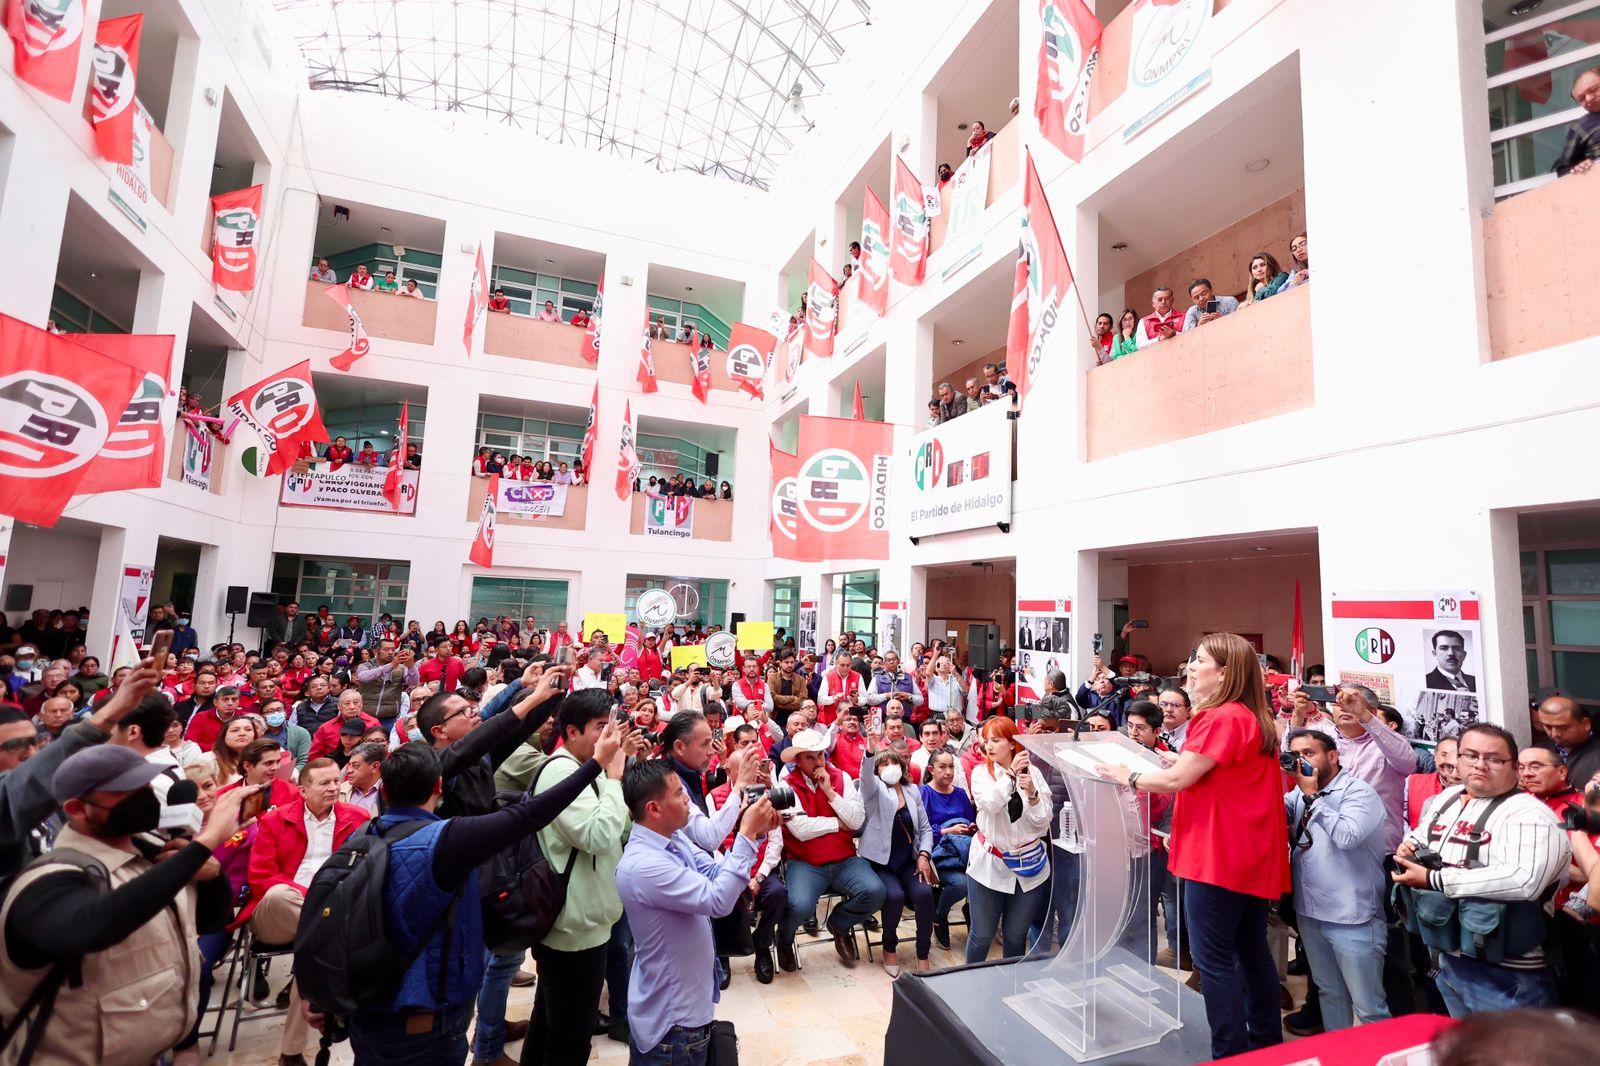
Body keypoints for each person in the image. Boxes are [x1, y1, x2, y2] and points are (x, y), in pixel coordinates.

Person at [327, 724, 621, 1063]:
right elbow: (531, 813)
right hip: (427, 1009)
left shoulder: (358, 838)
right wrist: (600, 766)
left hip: (368, 1007)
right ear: (439, 787)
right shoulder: (448, 841)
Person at [0, 744, 257, 1064]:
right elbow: (92, 927)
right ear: (78, 809)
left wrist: (212, 873)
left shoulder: (154, 851)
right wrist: (207, 843)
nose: (144, 797)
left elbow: (210, 920)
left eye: (145, 785)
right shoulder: (47, 879)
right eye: (124, 792)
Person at [1097, 633, 1290, 1059]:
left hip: (1217, 856)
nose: (1189, 665)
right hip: (1247, 855)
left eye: (1198, 659)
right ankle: (1264, 1046)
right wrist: (1172, 761)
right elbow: (1207, 772)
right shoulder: (1252, 717)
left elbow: (1176, 782)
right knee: (1251, 951)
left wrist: (1124, 775)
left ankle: (1229, 1052)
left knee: (1213, 961)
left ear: (1222, 672)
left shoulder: (1219, 717)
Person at [1391, 723, 1570, 1016]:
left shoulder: (1530, 815)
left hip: (1507, 972)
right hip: (1449, 956)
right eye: (1470, 755)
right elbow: (1420, 835)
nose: (1480, 765)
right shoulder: (1449, 798)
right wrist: (1408, 848)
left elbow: (1524, 881)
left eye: (1494, 759)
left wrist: (1434, 878)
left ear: (1514, 767)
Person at [616, 760, 779, 1065]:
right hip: (672, 1024)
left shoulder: (673, 838)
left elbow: (716, 872)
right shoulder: (644, 865)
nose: (688, 800)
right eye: (679, 794)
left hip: (686, 1006)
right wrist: (743, 836)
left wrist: (754, 836)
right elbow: (717, 900)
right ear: (654, 809)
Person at [522, 689, 640, 1065]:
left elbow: (619, 829)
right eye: (601, 728)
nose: (610, 738)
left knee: (549, 1024)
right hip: (573, 928)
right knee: (570, 1039)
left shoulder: (585, 769)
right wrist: (615, 775)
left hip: (584, 920)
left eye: (612, 728)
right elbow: (597, 836)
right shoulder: (561, 771)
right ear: (572, 731)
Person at [242, 758, 369, 1065]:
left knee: (313, 949)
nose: (334, 788)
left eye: (336, 782)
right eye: (324, 783)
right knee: (279, 893)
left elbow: (366, 869)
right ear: (302, 789)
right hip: (278, 912)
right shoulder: (274, 820)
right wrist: (312, 898)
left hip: (326, 915)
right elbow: (260, 876)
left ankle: (290, 1051)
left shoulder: (358, 818)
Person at [1282, 728, 1390, 1032]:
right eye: (1296, 755)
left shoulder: (1359, 792)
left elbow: (1347, 836)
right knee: (1330, 993)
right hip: (1310, 913)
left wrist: (1312, 796)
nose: (1302, 761)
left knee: (1369, 1007)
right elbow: (1276, 813)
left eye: (1309, 753)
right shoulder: (1298, 793)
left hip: (1352, 917)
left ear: (1332, 756)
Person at [775, 729, 881, 967]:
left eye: (820, 755)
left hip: (844, 859)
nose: (817, 762)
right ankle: (784, 940)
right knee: (799, 906)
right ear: (797, 761)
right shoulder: (787, 785)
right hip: (805, 862)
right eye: (810, 757)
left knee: (875, 892)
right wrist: (836, 824)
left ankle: (840, 923)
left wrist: (830, 793)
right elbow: (800, 829)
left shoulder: (840, 778)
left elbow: (855, 822)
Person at [963, 716, 1052, 964]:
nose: (989, 746)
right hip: (990, 865)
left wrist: (1032, 793)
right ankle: (972, 984)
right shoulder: (981, 773)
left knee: (1015, 935)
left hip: (1029, 865)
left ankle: (1010, 987)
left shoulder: (1033, 773)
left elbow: (1043, 822)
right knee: (981, 935)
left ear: (1012, 743)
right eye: (986, 741)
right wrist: (1010, 775)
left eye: (996, 740)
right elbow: (990, 803)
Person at [1289, 683, 1416, 851]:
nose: (1344, 708)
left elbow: (1408, 762)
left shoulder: (1386, 743)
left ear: (1372, 711)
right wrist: (1298, 713)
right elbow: (1289, 761)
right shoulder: (1321, 736)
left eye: (1350, 702)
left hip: (1375, 851)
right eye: (1339, 703)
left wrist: (1364, 716)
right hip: (1320, 846)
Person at [859, 743, 936, 975]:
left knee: (924, 894)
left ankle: (923, 952)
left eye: (894, 762)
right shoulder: (874, 791)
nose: (890, 767)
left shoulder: (912, 791)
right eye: (883, 764)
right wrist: (871, 751)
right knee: (894, 897)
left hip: (909, 860)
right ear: (877, 770)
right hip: (882, 862)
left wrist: (924, 855)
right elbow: (865, 778)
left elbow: (925, 829)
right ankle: (889, 947)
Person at [1536, 695, 1600, 788]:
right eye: (1548, 727)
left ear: (1586, 724)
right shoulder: (1538, 751)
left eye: (1563, 727)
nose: (1555, 734)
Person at [1553, 66, 1600, 176]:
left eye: (1593, 89)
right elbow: (1563, 171)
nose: (1588, 99)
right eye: (1581, 98)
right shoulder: (1581, 126)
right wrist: (1577, 168)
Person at [1406, 736, 1459, 829]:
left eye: (1456, 756)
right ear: (1435, 756)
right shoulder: (1411, 781)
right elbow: (1399, 818)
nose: (1448, 761)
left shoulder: (1474, 792)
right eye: (1444, 755)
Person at [1517, 743, 1583, 818]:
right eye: (1521, 768)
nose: (1526, 774)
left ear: (1562, 772)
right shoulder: (1518, 800)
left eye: (1535, 767)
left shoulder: (1583, 805)